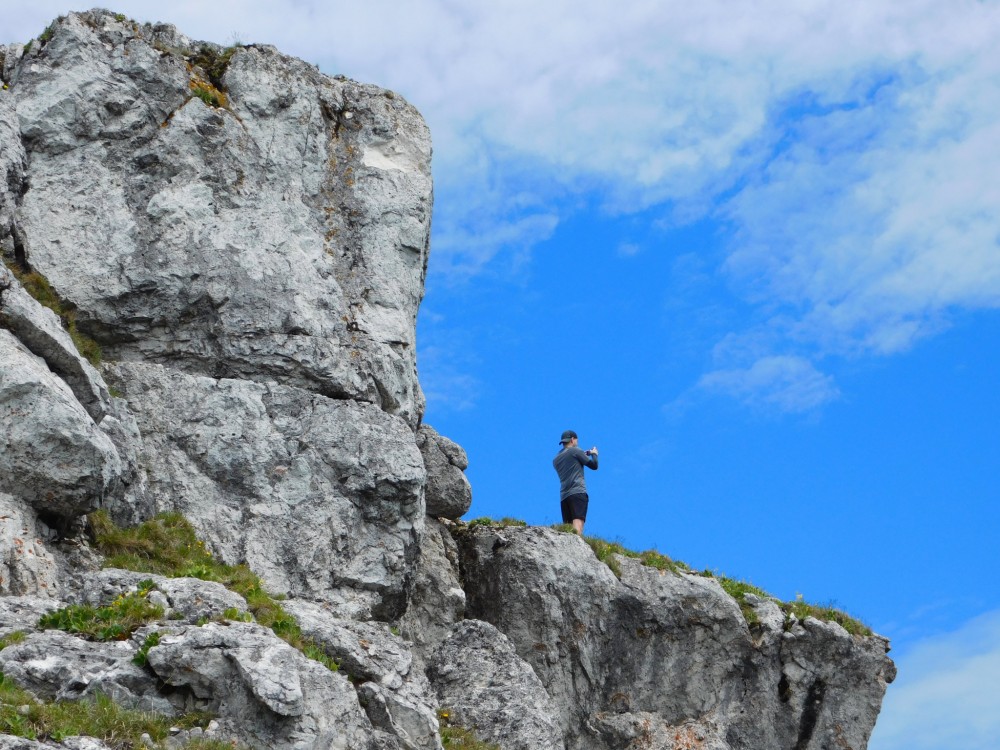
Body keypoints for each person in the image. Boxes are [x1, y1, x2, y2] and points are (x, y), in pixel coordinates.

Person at [553, 429, 598, 535]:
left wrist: (587, 452)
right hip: (577, 492)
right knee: (578, 525)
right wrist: (594, 454)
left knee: (568, 530)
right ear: (573, 440)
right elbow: (594, 466)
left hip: (564, 496)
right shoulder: (575, 451)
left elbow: (574, 456)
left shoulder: (556, 459)